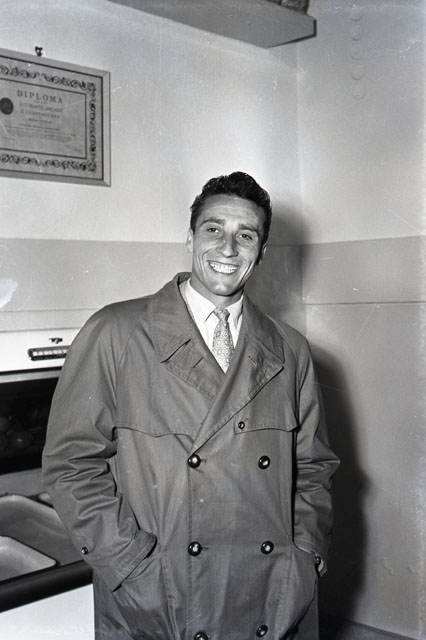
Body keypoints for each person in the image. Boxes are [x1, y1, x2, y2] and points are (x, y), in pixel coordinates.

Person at [42, 171, 339, 640]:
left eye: (246, 235)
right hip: (160, 597)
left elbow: (314, 468)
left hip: (270, 594)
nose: (228, 248)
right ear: (190, 237)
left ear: (261, 252)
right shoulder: (116, 332)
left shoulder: (290, 349)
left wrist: (306, 553)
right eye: (213, 229)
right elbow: (70, 464)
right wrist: (130, 565)